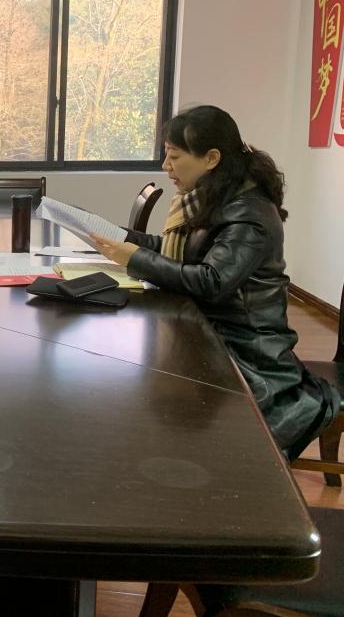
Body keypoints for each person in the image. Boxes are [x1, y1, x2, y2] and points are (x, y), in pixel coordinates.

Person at [90, 105, 340, 458]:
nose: (166, 166)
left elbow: (212, 279)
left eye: (175, 156)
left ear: (211, 158)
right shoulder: (215, 196)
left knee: (149, 396)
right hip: (213, 327)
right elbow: (187, 251)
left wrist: (135, 258)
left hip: (248, 350)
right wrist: (122, 239)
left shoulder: (249, 211)